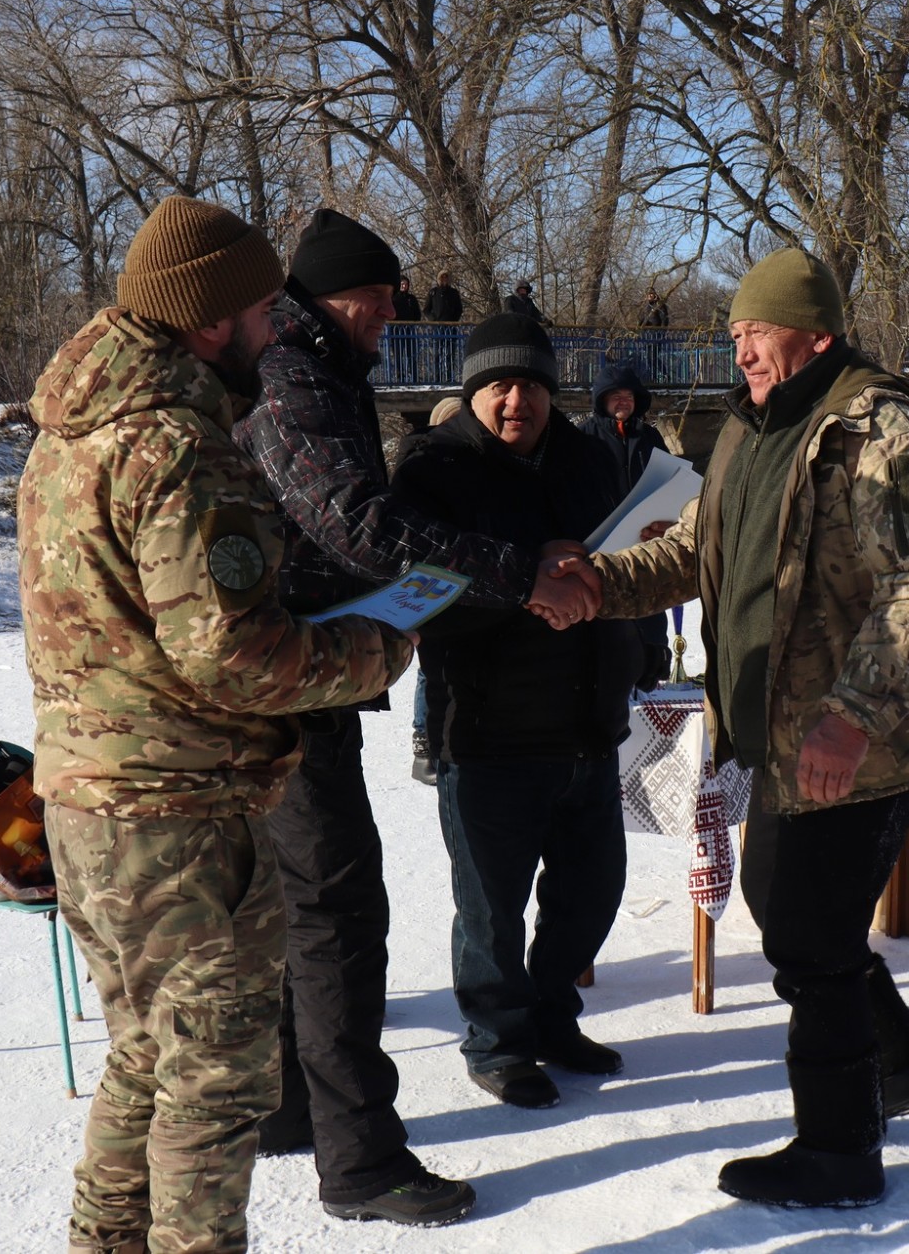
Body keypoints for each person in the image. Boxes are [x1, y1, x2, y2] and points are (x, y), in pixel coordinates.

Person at [17, 195, 419, 1251]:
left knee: (147, 1057)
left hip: (87, 803)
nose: (276, 328)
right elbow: (232, 654)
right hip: (177, 822)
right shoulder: (175, 447)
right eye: (262, 309)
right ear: (208, 319)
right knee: (212, 1087)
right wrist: (381, 644)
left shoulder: (70, 432)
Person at [582, 248, 909, 1209]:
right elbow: (696, 549)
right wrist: (596, 585)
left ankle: (840, 1149)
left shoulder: (878, 428)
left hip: (868, 738)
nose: (741, 350)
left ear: (816, 335)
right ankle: (900, 1066)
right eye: (737, 333)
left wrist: (851, 717)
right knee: (787, 902)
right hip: (782, 730)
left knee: (806, 930)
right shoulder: (748, 428)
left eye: (757, 332)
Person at [233, 209, 597, 1225]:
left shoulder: (318, 368)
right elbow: (356, 523)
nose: (392, 315)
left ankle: (289, 1104)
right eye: (378, 298)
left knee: (297, 903)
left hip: (303, 672)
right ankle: (359, 1158)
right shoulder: (295, 377)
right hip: (289, 683)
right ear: (330, 294)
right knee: (336, 913)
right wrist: (515, 573)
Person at [391, 313, 642, 1110]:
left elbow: (624, 556)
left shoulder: (588, 456)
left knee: (592, 890)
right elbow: (416, 591)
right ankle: (498, 1042)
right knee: (491, 910)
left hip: (586, 721)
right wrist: (527, 576)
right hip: (487, 730)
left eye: (532, 385)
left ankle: (553, 1015)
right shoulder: (434, 465)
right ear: (473, 391)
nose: (516, 401)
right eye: (500, 385)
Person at [577, 357, 675, 690]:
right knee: (607, 626)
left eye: (629, 396)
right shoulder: (583, 439)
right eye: (616, 396)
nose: (623, 401)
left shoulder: (650, 437)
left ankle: (652, 673)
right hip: (601, 551)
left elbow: (671, 482)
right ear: (602, 400)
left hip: (648, 547)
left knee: (650, 614)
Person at [395, 395, 465, 786]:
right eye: (450, 422)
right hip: (429, 580)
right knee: (429, 667)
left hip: (466, 578)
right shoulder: (419, 463)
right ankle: (423, 743)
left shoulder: (475, 462)